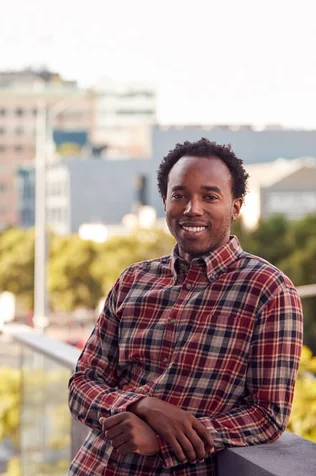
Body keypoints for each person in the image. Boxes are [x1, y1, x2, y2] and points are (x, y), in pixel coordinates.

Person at [68, 138, 303, 476]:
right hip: (92, 467)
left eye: (210, 196)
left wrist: (162, 440)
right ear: (165, 201)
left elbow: (267, 416)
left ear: (236, 207)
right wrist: (142, 405)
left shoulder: (268, 290)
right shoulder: (134, 280)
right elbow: (82, 384)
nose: (192, 208)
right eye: (180, 195)